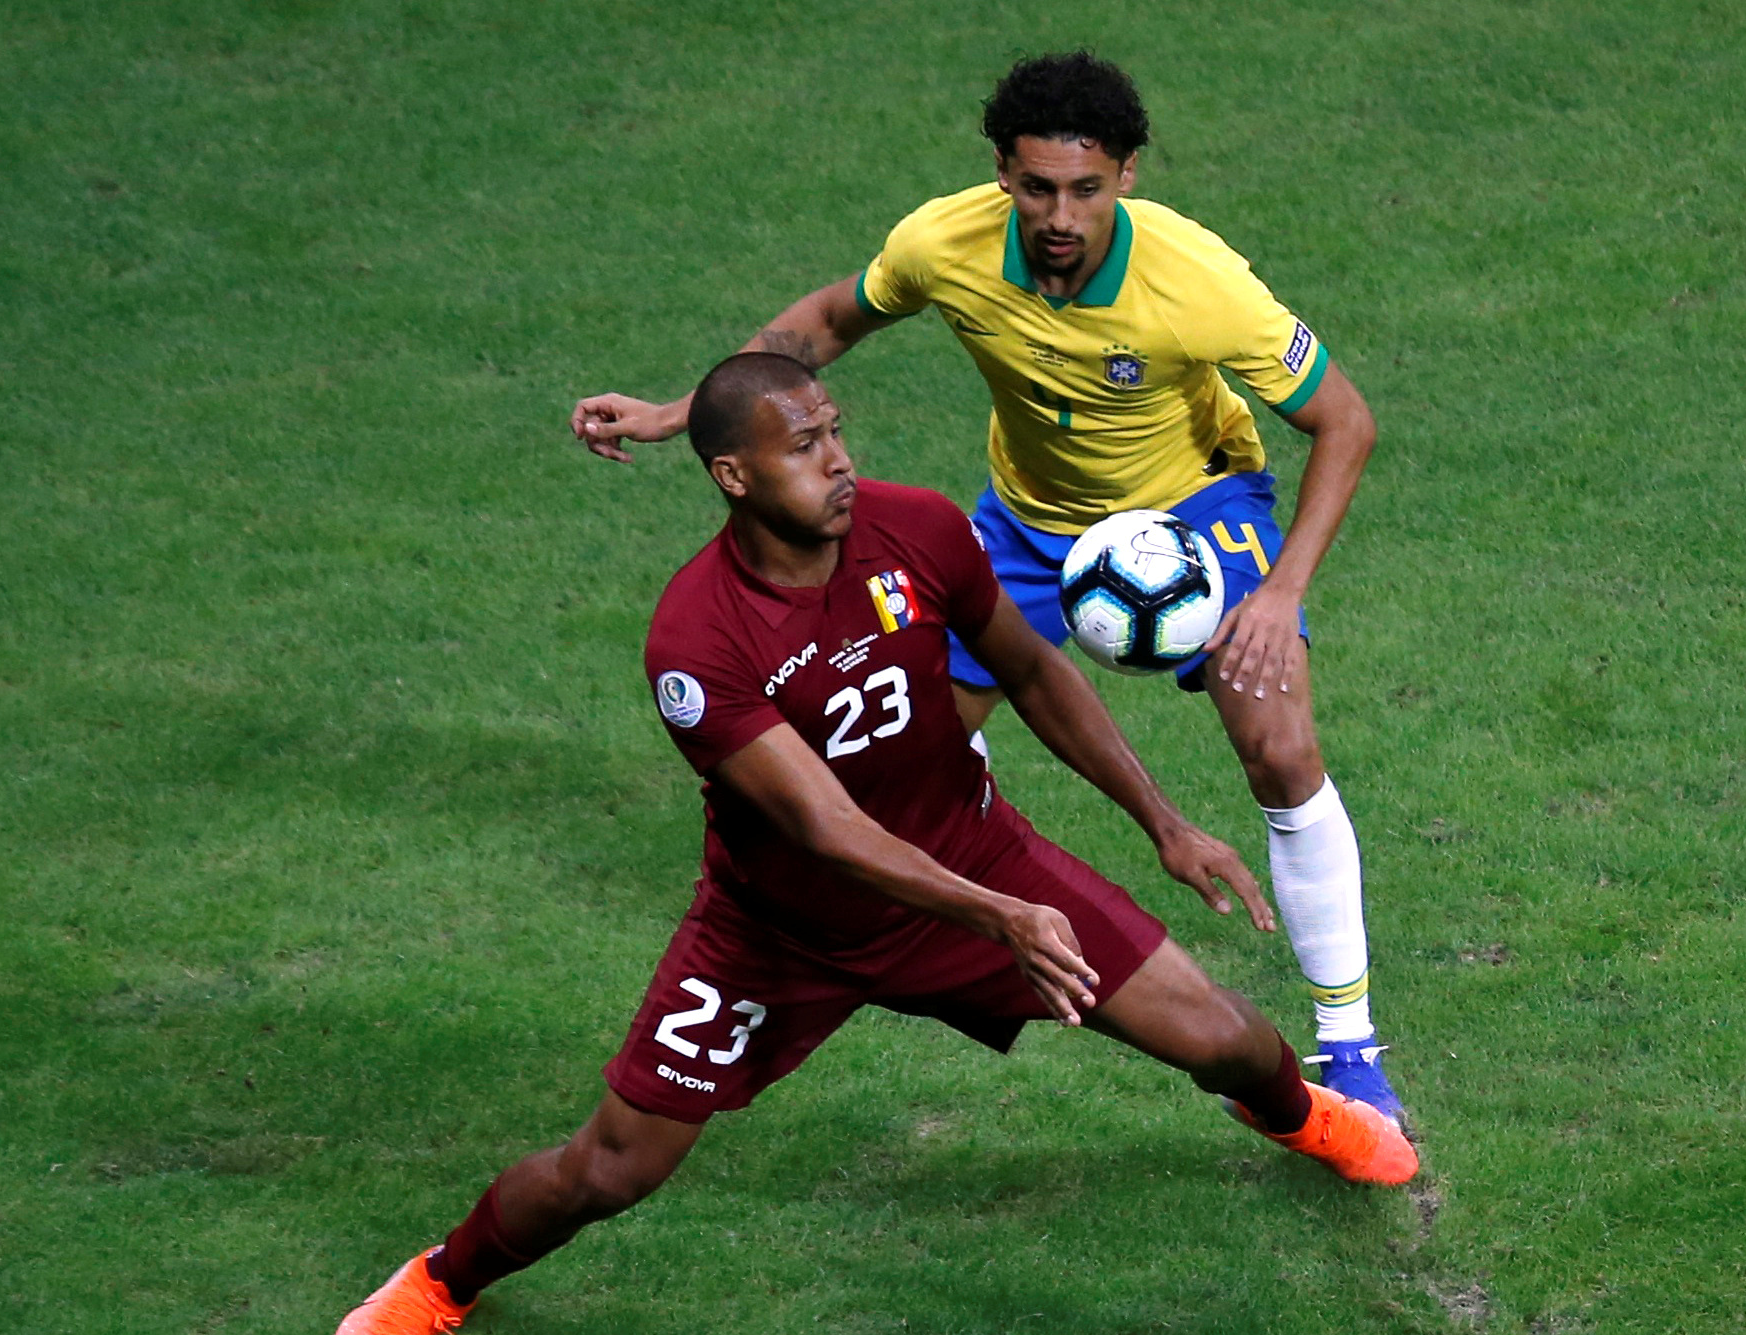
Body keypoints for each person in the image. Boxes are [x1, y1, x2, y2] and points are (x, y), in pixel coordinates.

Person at [330, 355, 1416, 1335]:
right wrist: (1002, 918)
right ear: (733, 475)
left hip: (979, 859)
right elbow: (827, 830)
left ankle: (1297, 1115)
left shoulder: (919, 529)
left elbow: (1032, 671)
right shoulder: (696, 643)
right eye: (805, 446)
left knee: (1226, 1036)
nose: (840, 459)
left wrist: (1163, 822)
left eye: (836, 432)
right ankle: (442, 1279)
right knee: (610, 1170)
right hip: (780, 935)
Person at [570, 52, 1404, 1124]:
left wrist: (1281, 595)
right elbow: (816, 331)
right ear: (1003, 175)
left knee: (1281, 746)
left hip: (1188, 516)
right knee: (889, 756)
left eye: (1088, 189)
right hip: (1021, 524)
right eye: (1038, 187)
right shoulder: (944, 244)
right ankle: (878, 947)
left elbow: (1347, 419)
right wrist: (681, 410)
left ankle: (1350, 1044)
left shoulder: (1197, 283)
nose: (1062, 215)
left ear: (1128, 177)